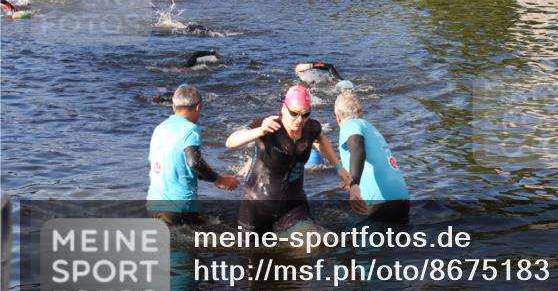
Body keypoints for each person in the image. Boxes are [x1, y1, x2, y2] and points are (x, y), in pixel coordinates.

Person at [226, 86, 351, 234]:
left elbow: (320, 141)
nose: (299, 120)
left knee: (314, 243)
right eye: (294, 113)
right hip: (257, 206)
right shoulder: (269, 124)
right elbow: (230, 142)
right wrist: (260, 131)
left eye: (305, 114)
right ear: (284, 108)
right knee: (251, 253)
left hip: (293, 205)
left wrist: (340, 168)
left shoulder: (311, 128)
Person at [147, 84, 240, 225]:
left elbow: (180, 162)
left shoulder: (159, 129)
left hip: (154, 205)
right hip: (179, 206)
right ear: (198, 107)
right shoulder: (191, 129)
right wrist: (219, 180)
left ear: (173, 106)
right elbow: (194, 162)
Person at [335, 91, 409, 221]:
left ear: (338, 116)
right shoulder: (371, 129)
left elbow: (358, 148)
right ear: (361, 113)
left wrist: (354, 184)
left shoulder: (350, 125)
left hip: (378, 203)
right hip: (402, 201)